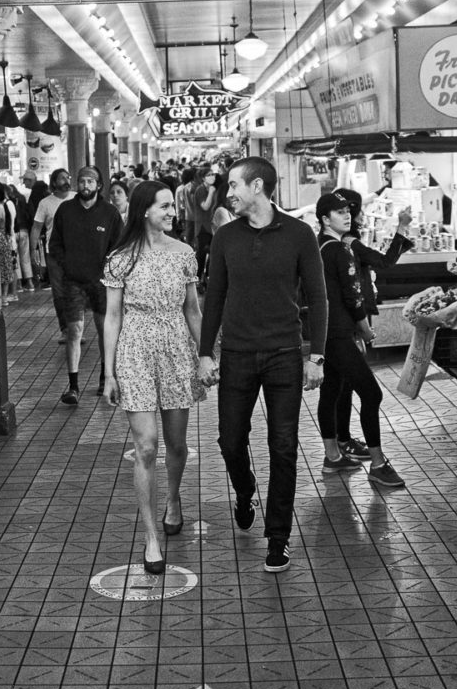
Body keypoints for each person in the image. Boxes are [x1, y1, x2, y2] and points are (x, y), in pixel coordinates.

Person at [198, 158, 328, 573]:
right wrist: (205, 352)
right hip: (236, 352)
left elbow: (318, 298)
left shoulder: (299, 234)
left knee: (284, 446)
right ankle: (245, 488)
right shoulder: (225, 237)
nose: (228, 193)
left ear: (257, 186)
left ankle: (278, 537)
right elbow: (214, 296)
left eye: (234, 185)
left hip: (283, 355)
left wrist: (316, 356)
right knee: (230, 441)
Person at [103, 180, 204, 574]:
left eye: (171, 207)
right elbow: (112, 317)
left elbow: (193, 310)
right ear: (145, 210)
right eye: (164, 206)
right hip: (135, 351)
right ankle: (150, 538)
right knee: (146, 446)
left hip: (177, 349)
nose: (171, 212)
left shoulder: (184, 254)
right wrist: (109, 372)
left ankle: (173, 499)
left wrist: (207, 355)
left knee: (176, 444)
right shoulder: (120, 258)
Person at [316, 192, 405, 488]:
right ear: (325, 219)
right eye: (338, 213)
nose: (347, 216)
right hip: (341, 332)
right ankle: (378, 464)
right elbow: (353, 296)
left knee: (331, 390)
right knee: (372, 393)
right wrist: (365, 329)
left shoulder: (319, 246)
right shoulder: (340, 250)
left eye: (347, 211)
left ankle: (333, 456)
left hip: (324, 331)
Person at [334, 189, 413, 458]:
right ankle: (351, 448)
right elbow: (385, 262)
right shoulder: (349, 243)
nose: (363, 215)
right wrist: (402, 226)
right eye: (354, 211)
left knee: (340, 384)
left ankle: (341, 442)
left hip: (345, 320)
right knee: (355, 388)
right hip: (350, 321)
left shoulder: (340, 242)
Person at [49, 166, 122, 404]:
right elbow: (55, 244)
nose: (85, 186)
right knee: (74, 331)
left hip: (102, 282)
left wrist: (109, 272)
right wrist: (66, 264)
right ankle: (73, 386)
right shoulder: (65, 210)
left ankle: (105, 377)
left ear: (99, 185)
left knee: (104, 330)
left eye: (90, 181)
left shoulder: (109, 213)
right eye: (81, 181)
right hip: (73, 280)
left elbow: (119, 247)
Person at [30, 168, 75, 342]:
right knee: (59, 293)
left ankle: (75, 328)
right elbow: (36, 227)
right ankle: (65, 329)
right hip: (54, 253)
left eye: (67, 177)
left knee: (75, 291)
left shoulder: (76, 198)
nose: (66, 180)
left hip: (76, 252)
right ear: (54, 182)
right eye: (62, 178)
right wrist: (33, 251)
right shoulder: (45, 203)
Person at [193, 165, 217, 290]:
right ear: (203, 178)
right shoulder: (200, 190)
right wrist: (211, 193)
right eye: (209, 175)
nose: (212, 177)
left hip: (212, 225)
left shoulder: (213, 189)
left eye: (213, 174)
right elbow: (205, 206)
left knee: (213, 252)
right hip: (202, 226)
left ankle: (207, 277)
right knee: (201, 254)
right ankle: (196, 278)